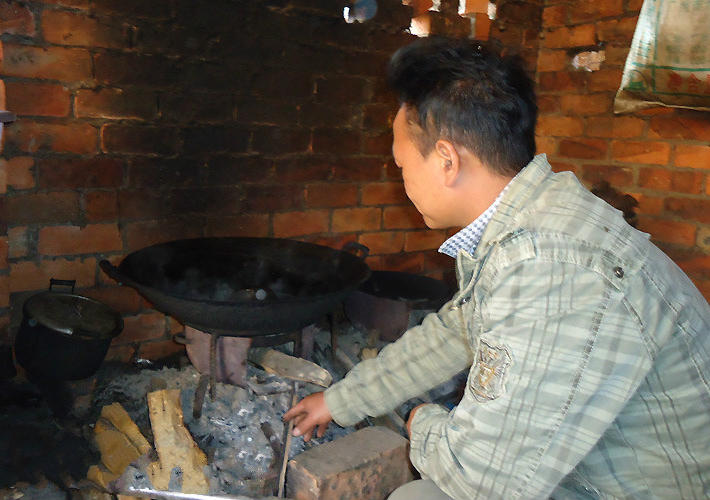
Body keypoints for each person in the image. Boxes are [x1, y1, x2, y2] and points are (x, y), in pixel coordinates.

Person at [284, 36, 710, 500]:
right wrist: (342, 400)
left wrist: (419, 423)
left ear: (447, 160)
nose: (400, 179)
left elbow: (480, 480)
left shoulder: (552, 265)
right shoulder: (531, 220)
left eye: (401, 164)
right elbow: (455, 331)